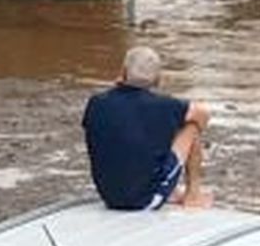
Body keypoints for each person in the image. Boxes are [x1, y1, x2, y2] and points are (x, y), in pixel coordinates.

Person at [83, 46, 212, 210]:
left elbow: (122, 125)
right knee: (191, 125)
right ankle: (193, 196)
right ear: (158, 79)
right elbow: (203, 114)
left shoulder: (96, 102)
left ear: (123, 72)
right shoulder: (166, 106)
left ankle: (161, 186)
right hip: (144, 201)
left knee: (127, 131)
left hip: (108, 196)